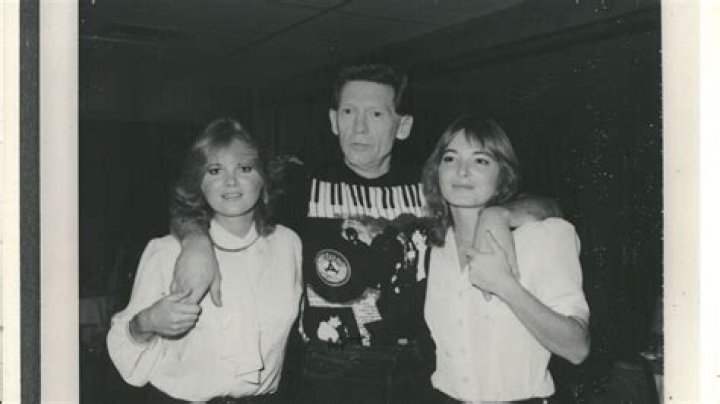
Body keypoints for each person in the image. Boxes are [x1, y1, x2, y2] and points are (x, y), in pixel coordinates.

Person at [169, 64, 560, 402]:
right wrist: (195, 241)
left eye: (375, 114)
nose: (359, 127)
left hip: (419, 368)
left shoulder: (432, 183)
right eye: (348, 111)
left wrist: (498, 213)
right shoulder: (297, 182)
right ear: (333, 120)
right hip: (330, 370)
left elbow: (549, 208)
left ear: (402, 126)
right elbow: (201, 205)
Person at [106, 118, 303, 403]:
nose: (231, 181)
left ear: (264, 177)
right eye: (215, 170)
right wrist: (146, 323)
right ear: (199, 181)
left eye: (245, 168)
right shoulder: (167, 251)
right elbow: (123, 348)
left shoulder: (288, 244)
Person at [422, 115, 590, 403]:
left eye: (480, 161)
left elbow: (577, 348)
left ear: (503, 174)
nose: (461, 171)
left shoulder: (542, 237)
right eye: (450, 158)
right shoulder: (431, 246)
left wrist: (506, 286)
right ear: (437, 170)